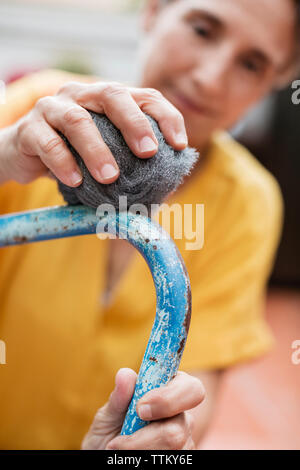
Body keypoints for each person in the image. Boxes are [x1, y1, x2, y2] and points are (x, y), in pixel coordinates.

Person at [0, 0, 298, 450]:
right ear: (153, 11)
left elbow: (199, 385)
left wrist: (166, 436)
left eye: (252, 63)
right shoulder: (33, 112)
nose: (210, 78)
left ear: (272, 84)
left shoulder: (248, 202)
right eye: (202, 29)